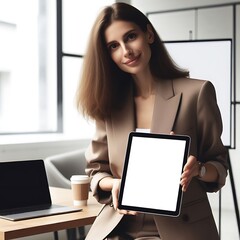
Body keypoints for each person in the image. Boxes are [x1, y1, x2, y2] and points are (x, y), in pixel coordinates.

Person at [76, 2, 228, 240]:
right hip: (120, 227)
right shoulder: (110, 104)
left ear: (148, 34)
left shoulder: (197, 93)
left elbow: (219, 168)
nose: (126, 50)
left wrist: (197, 169)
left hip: (179, 228)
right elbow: (96, 172)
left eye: (131, 37)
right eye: (114, 46)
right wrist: (115, 184)